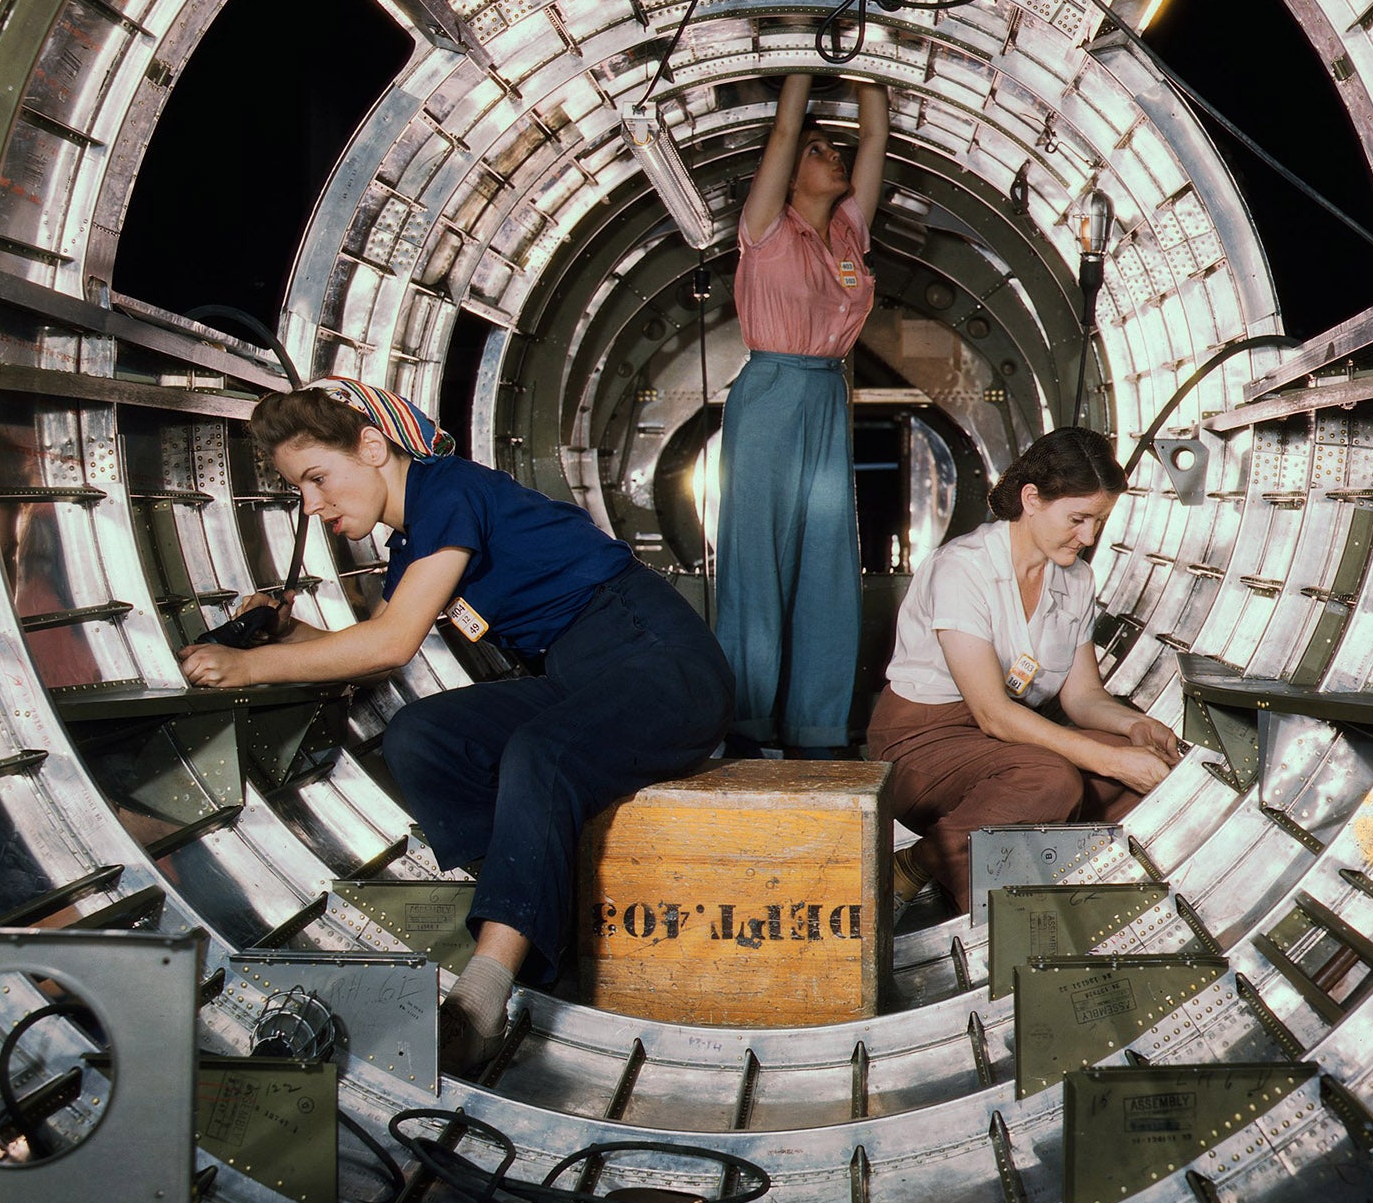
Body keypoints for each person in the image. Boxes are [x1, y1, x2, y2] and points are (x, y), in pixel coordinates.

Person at [178, 377, 733, 1075]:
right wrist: (285, 638)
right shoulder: (416, 545)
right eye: (301, 492)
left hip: (662, 665)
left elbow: (388, 644)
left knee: (541, 752)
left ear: (374, 446)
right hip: (578, 676)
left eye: (317, 479)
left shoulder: (447, 490)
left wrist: (245, 670)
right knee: (423, 736)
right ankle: (526, 916)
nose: (313, 507)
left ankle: (482, 997)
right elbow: (375, 651)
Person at [865, 428, 1180, 916]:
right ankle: (927, 867)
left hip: (1004, 744)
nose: (1089, 537)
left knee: (1130, 760)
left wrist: (1134, 727)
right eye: (1077, 519)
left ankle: (1065, 894)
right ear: (1031, 499)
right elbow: (993, 714)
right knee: (1052, 778)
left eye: (1099, 521)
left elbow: (1082, 698)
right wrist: (1108, 761)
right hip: (922, 742)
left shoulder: (1076, 578)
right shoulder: (962, 568)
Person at [715, 73, 890, 756]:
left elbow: (875, 133)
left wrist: (871, 58)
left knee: (827, 562)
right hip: (771, 392)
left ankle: (817, 728)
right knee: (756, 562)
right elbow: (785, 131)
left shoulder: (848, 232)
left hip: (825, 393)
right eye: (819, 151)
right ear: (788, 176)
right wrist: (801, 65)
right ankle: (747, 725)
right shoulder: (765, 227)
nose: (833, 156)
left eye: (832, 150)